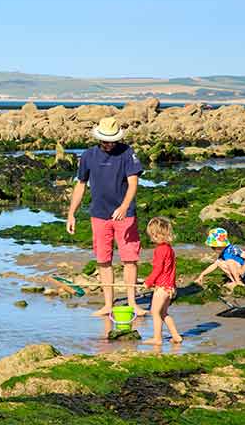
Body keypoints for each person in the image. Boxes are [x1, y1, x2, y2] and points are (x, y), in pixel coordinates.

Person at [67, 117, 146, 317]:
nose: (109, 144)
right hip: (99, 215)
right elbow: (81, 184)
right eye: (105, 140)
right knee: (103, 259)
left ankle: (132, 303)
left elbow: (133, 183)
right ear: (99, 138)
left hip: (125, 215)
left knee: (130, 258)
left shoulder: (127, 153)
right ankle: (108, 304)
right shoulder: (88, 156)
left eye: (112, 140)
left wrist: (124, 206)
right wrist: (71, 214)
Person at [142, 217, 183, 345]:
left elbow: (158, 269)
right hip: (170, 287)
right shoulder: (169, 249)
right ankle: (176, 336)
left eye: (153, 235)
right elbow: (170, 269)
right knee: (164, 313)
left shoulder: (160, 250)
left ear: (158, 234)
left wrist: (148, 282)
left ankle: (157, 338)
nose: (152, 238)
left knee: (154, 312)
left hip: (162, 286)